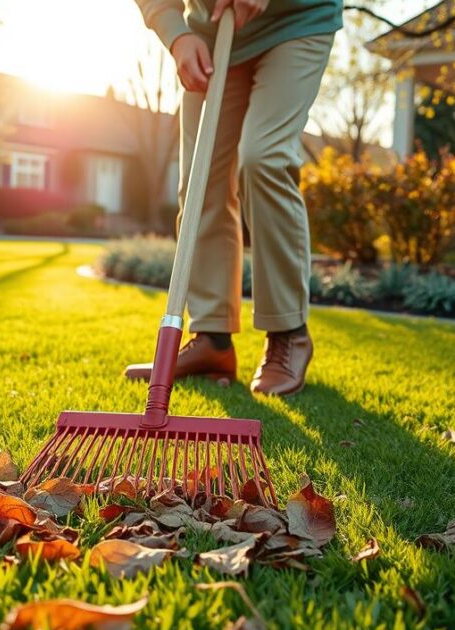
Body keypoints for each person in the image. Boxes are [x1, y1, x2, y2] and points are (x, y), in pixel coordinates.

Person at [126, 0, 342, 396]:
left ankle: (288, 331)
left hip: (295, 21)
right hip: (207, 35)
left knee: (264, 158)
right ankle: (213, 339)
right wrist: (177, 35)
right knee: (199, 180)